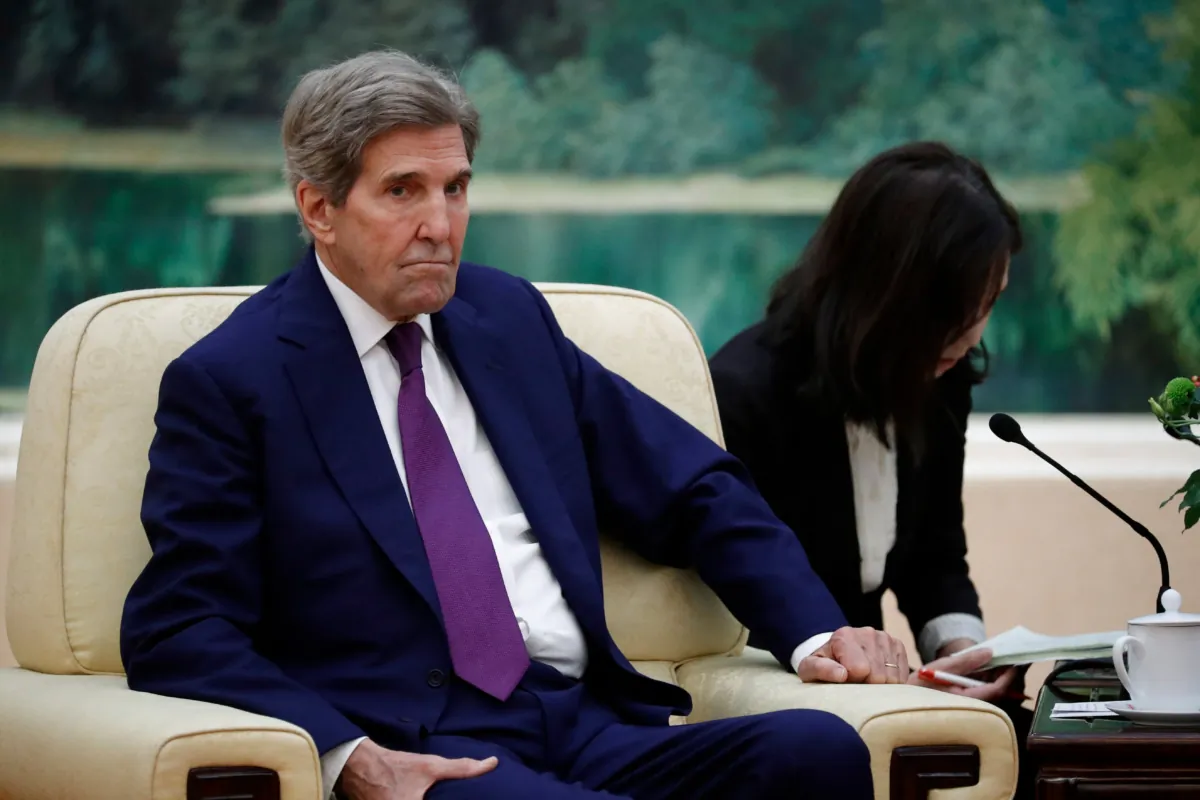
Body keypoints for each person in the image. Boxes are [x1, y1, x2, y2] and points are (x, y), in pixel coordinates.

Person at [120, 50, 909, 800]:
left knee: (818, 752)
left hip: (584, 720)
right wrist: (347, 758)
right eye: (403, 191)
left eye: (456, 188)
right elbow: (181, 624)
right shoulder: (234, 380)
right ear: (319, 207)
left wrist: (815, 636)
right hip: (425, 752)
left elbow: (693, 485)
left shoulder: (509, 321)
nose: (440, 223)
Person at [708, 141, 1033, 797]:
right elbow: (728, 605)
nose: (971, 333)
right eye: (954, 308)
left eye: (990, 301)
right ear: (884, 291)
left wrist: (960, 653)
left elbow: (935, 556)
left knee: (1052, 756)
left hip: (886, 689)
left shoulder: (943, 378)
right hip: (786, 692)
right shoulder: (743, 392)